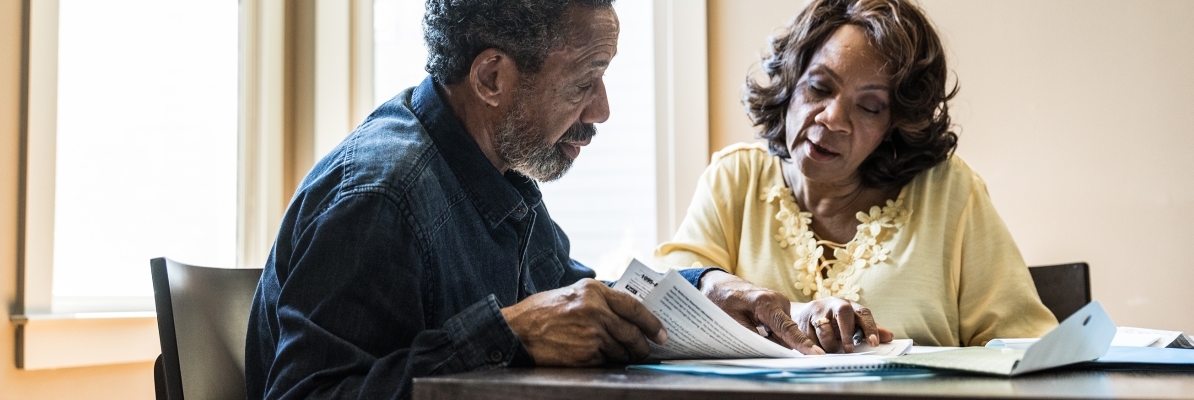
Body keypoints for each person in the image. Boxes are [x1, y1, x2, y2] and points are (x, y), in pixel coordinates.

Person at [245, 1, 888, 399]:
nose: (603, 110)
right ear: (493, 77)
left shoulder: (496, 172)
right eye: (585, 83)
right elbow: (306, 395)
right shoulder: (380, 196)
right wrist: (507, 334)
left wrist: (709, 289)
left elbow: (580, 304)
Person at [655, 0, 1058, 349]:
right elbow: (664, 305)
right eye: (818, 86)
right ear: (793, 79)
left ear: (896, 124)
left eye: (869, 106)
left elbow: (1025, 346)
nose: (832, 119)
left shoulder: (950, 192)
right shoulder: (736, 176)